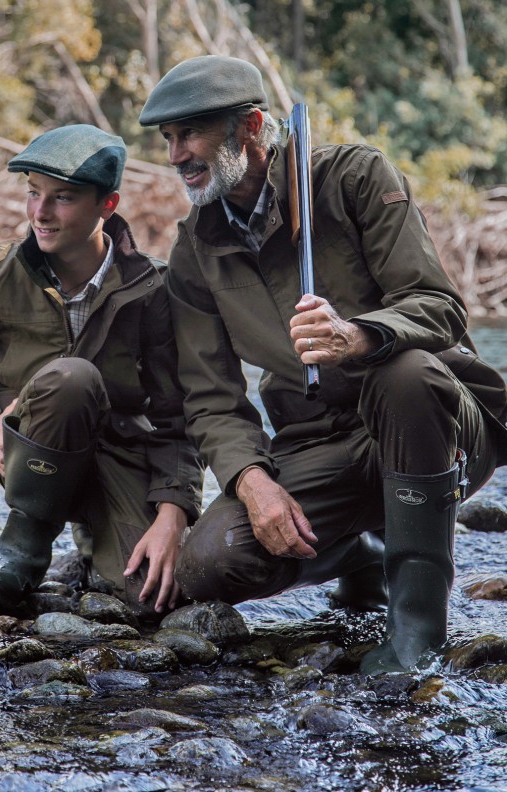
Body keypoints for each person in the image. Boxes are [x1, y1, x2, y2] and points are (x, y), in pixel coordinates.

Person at [138, 55, 507, 673]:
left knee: (403, 373)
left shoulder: (353, 179)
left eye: (191, 133)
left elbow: (440, 307)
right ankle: (358, 552)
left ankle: (418, 632)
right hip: (317, 444)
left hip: (439, 425)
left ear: (252, 127)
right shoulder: (195, 250)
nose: (176, 155)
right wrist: (252, 484)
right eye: (169, 139)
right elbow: (210, 397)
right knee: (212, 561)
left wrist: (358, 336)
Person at [0, 124, 204, 619]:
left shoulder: (153, 289)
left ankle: (91, 548)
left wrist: (174, 511)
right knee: (72, 378)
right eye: (33, 194)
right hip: (32, 451)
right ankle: (24, 545)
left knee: (150, 600)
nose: (40, 213)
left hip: (119, 454)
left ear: (107, 205)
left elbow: (180, 412)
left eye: (62, 198)